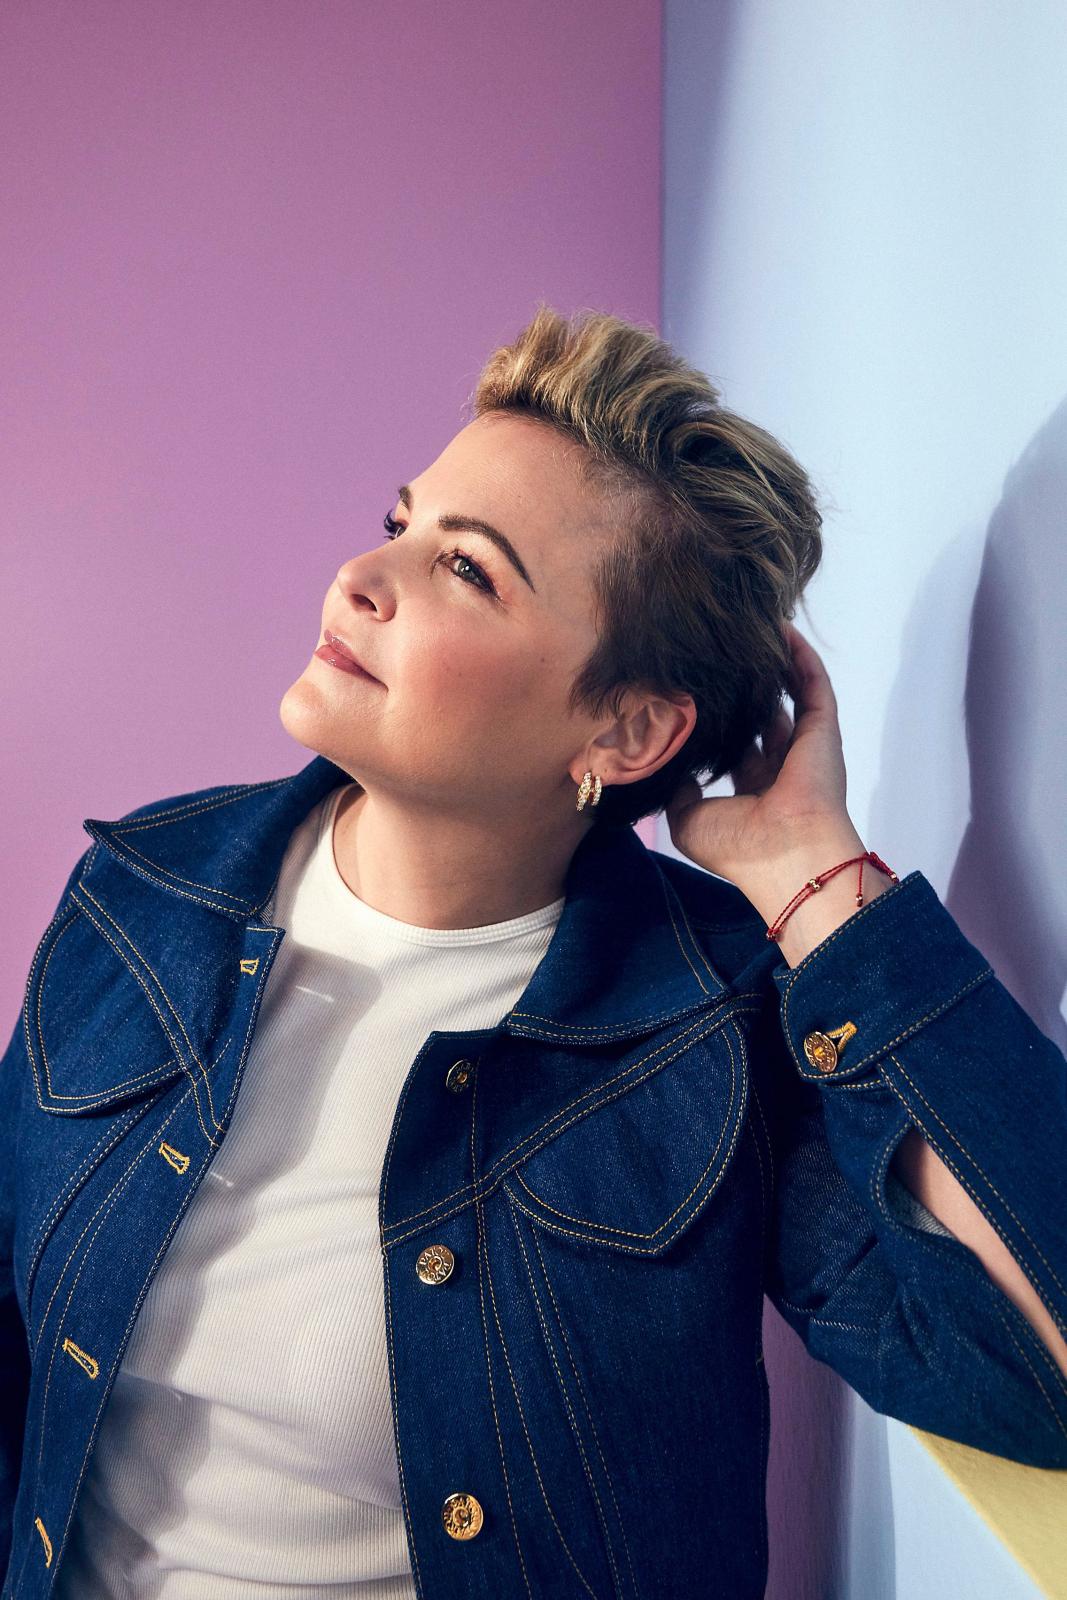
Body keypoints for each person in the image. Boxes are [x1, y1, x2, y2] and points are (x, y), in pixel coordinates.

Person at [3, 305, 1065, 1600]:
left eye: (467, 569)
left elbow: (1037, 1379)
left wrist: (818, 884)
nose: (360, 576)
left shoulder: (715, 1028)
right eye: (401, 521)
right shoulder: (145, 895)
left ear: (625, 734)